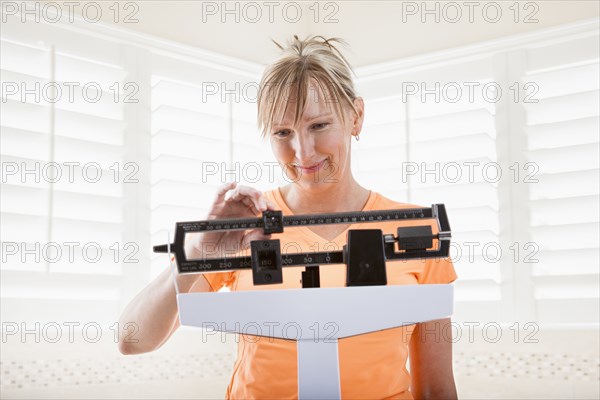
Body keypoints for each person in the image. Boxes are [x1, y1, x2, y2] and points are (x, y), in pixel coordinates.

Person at [118, 35, 458, 399]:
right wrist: (201, 249)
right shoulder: (246, 223)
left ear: (356, 117)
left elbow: (436, 389)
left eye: (319, 125)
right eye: (283, 132)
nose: (302, 151)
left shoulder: (416, 233)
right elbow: (133, 338)